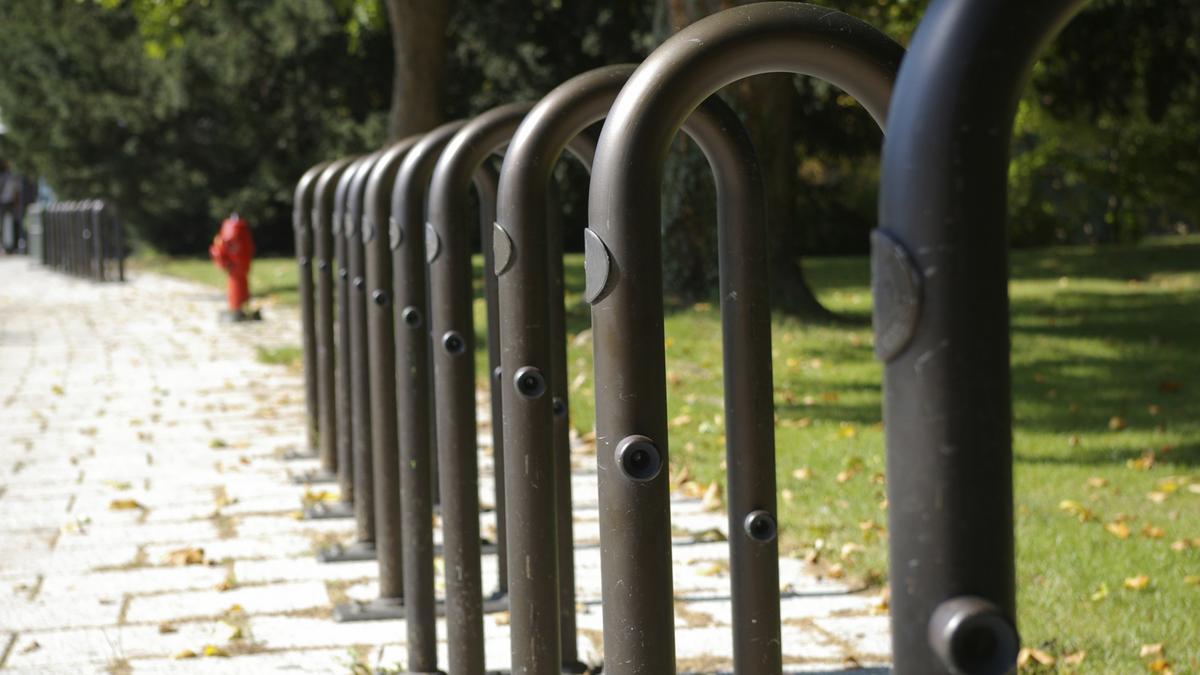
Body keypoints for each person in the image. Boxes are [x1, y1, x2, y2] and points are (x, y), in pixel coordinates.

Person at [208, 211, 260, 321]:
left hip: (238, 264)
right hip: (238, 264)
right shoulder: (237, 228)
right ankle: (239, 305)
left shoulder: (232, 228)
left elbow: (227, 242)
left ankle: (239, 305)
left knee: (239, 282)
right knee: (238, 282)